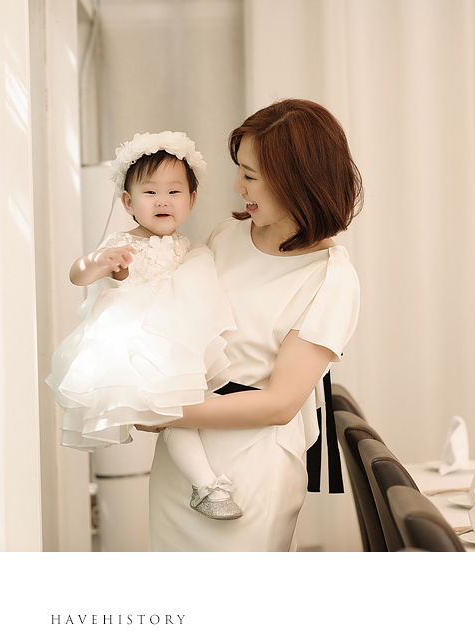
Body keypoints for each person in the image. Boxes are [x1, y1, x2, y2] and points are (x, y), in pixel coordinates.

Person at [146, 100, 362, 551]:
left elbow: (280, 404)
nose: (237, 186)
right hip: (182, 454)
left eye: (250, 175)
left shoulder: (329, 277)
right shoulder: (226, 236)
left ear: (295, 180)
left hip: (251, 461)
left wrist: (164, 411)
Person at [47, 131, 246, 519]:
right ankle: (206, 485)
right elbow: (78, 274)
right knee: (176, 414)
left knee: (187, 412)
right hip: (140, 344)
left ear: (191, 200)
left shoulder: (189, 247)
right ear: (128, 202)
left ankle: (205, 484)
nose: (162, 200)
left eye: (174, 192)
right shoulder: (123, 243)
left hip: (177, 343)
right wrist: (101, 262)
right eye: (150, 192)